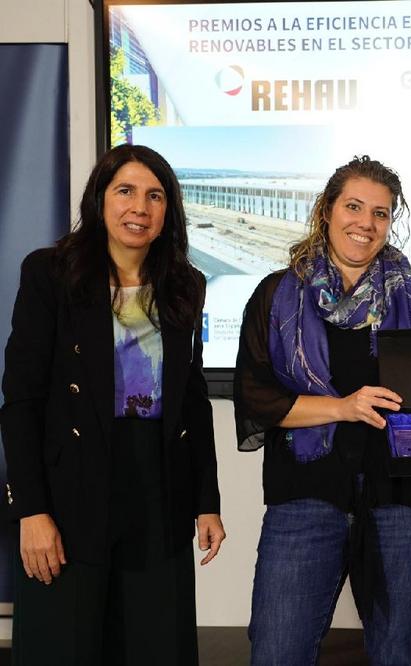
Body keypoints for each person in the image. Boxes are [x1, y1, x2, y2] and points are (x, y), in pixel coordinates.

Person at [0, 144, 225, 664]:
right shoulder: (50, 274)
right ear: (100, 199)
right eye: (125, 191)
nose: (139, 208)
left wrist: (206, 501)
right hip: (69, 494)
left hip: (158, 493)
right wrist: (31, 509)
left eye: (155, 196)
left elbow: (192, 400)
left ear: (168, 210)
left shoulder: (185, 285)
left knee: (156, 647)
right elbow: (22, 399)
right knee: (65, 648)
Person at [234, 156, 411, 665]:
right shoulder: (276, 295)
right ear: (326, 210)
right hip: (307, 494)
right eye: (354, 207)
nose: (365, 223)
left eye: (380, 213)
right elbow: (256, 397)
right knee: (278, 652)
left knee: (397, 654)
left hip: (406, 499)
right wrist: (343, 407)